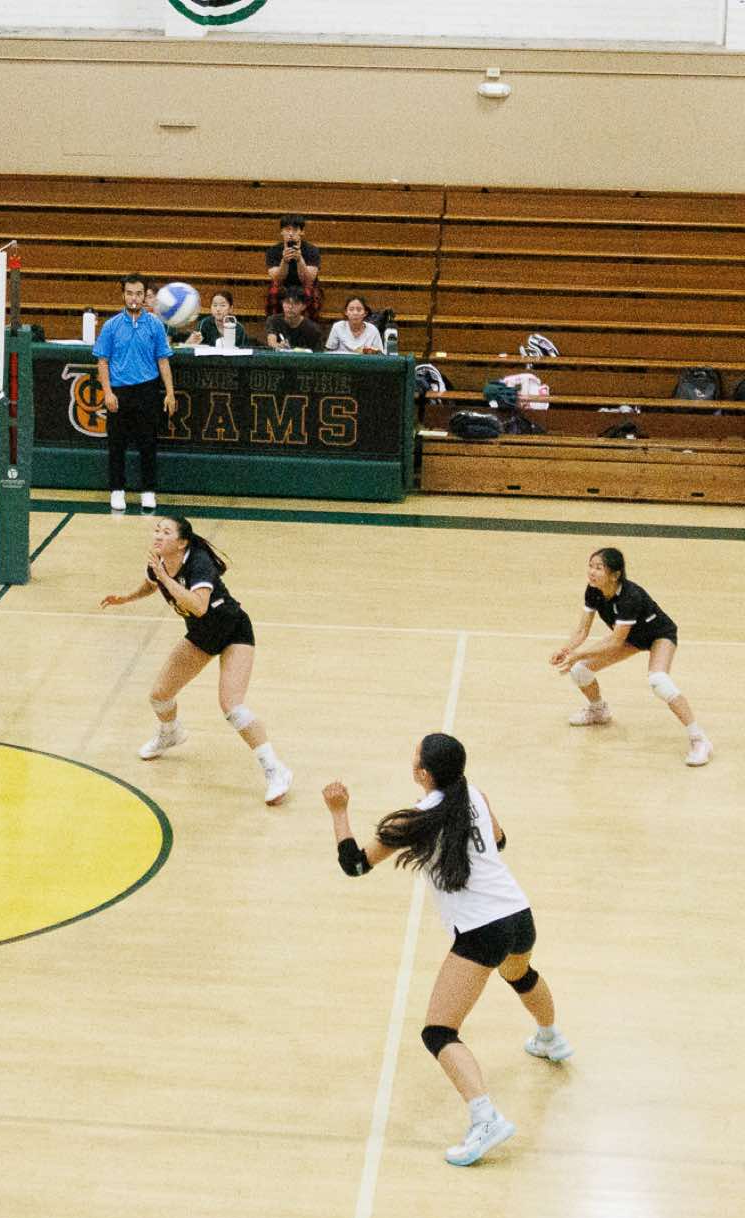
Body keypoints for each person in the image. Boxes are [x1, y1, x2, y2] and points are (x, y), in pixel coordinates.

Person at [325, 733, 571, 1167]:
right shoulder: (475, 794)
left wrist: (339, 811)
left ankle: (486, 1119)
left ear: (423, 773)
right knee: (521, 975)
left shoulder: (414, 822)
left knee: (439, 1032)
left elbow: (355, 864)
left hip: (482, 930)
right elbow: (499, 842)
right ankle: (551, 1038)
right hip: (518, 913)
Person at [99, 514, 292, 805]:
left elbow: (199, 607)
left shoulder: (199, 563)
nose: (158, 535)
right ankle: (170, 733)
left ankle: (276, 770)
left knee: (232, 707)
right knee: (160, 696)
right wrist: (127, 598)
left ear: (182, 543)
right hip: (202, 636)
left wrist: (165, 578)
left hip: (233, 630)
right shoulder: (159, 563)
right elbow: (151, 584)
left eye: (166, 532)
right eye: (157, 530)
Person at [552, 547, 712, 765]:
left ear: (615, 574)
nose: (592, 572)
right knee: (580, 671)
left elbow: (615, 641)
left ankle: (699, 739)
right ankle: (598, 711)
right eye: (590, 566)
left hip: (658, 635)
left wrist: (578, 654)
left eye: (598, 568)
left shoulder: (630, 597)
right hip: (631, 638)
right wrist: (566, 650)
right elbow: (582, 631)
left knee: (659, 681)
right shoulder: (593, 590)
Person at [92, 274, 175, 512]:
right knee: (116, 443)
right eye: (129, 293)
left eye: (139, 293)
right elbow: (102, 361)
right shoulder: (111, 326)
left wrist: (170, 393)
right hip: (119, 391)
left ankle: (148, 491)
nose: (134, 298)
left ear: (145, 296)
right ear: (123, 295)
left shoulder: (155, 325)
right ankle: (117, 489)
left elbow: (163, 360)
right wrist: (108, 392)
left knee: (148, 443)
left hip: (147, 389)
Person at [265, 214, 322, 319]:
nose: (291, 233)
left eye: (295, 230)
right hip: (283, 285)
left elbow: (309, 280)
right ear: (281, 231)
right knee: (274, 293)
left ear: (302, 232)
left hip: (303, 285)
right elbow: (277, 279)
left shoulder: (312, 250)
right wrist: (284, 261)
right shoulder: (273, 251)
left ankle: (309, 327)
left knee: (309, 293)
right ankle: (275, 325)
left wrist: (300, 260)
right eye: (287, 229)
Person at [183, 291, 250, 349]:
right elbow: (188, 348)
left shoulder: (239, 329)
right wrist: (190, 343)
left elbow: (244, 351)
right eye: (215, 305)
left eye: (223, 305)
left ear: (230, 308)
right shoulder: (204, 324)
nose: (218, 309)